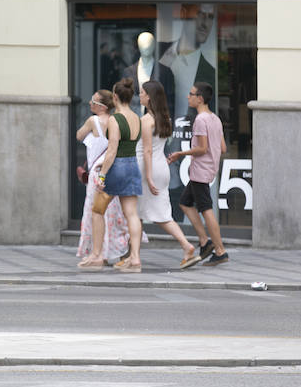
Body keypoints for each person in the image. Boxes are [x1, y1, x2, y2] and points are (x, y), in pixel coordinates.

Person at [136, 80, 199, 269]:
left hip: (149, 169)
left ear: (149, 97)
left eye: (142, 93)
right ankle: (132, 254)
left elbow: (147, 150)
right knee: (145, 213)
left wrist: (148, 176)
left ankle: (185, 246)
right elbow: (157, 147)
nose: (139, 96)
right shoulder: (165, 119)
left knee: (146, 214)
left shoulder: (146, 120)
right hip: (161, 166)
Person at [168, 81, 228, 266]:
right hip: (206, 170)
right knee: (185, 203)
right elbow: (223, 148)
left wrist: (180, 153)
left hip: (200, 170)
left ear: (200, 98)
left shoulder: (201, 120)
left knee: (206, 209)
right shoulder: (215, 118)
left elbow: (202, 148)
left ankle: (220, 251)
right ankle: (204, 242)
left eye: (191, 94)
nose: (188, 96)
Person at [75, 90, 131, 268]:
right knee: (112, 214)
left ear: (102, 107)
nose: (90, 104)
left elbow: (79, 135)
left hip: (98, 172)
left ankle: (97, 253)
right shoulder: (115, 121)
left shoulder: (93, 121)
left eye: (93, 101)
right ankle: (114, 250)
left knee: (95, 213)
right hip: (113, 170)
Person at [94, 78, 144, 273]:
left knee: (98, 209)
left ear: (115, 97)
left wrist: (102, 175)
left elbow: (112, 150)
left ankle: (96, 255)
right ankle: (135, 257)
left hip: (117, 167)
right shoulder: (137, 118)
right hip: (133, 165)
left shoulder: (115, 119)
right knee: (132, 214)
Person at [122, 32, 175, 114]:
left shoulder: (165, 71)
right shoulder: (128, 72)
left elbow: (170, 99)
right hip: (133, 117)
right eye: (142, 44)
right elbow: (124, 99)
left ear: (154, 46)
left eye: (149, 43)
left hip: (157, 117)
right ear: (138, 46)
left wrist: (168, 119)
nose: (146, 46)